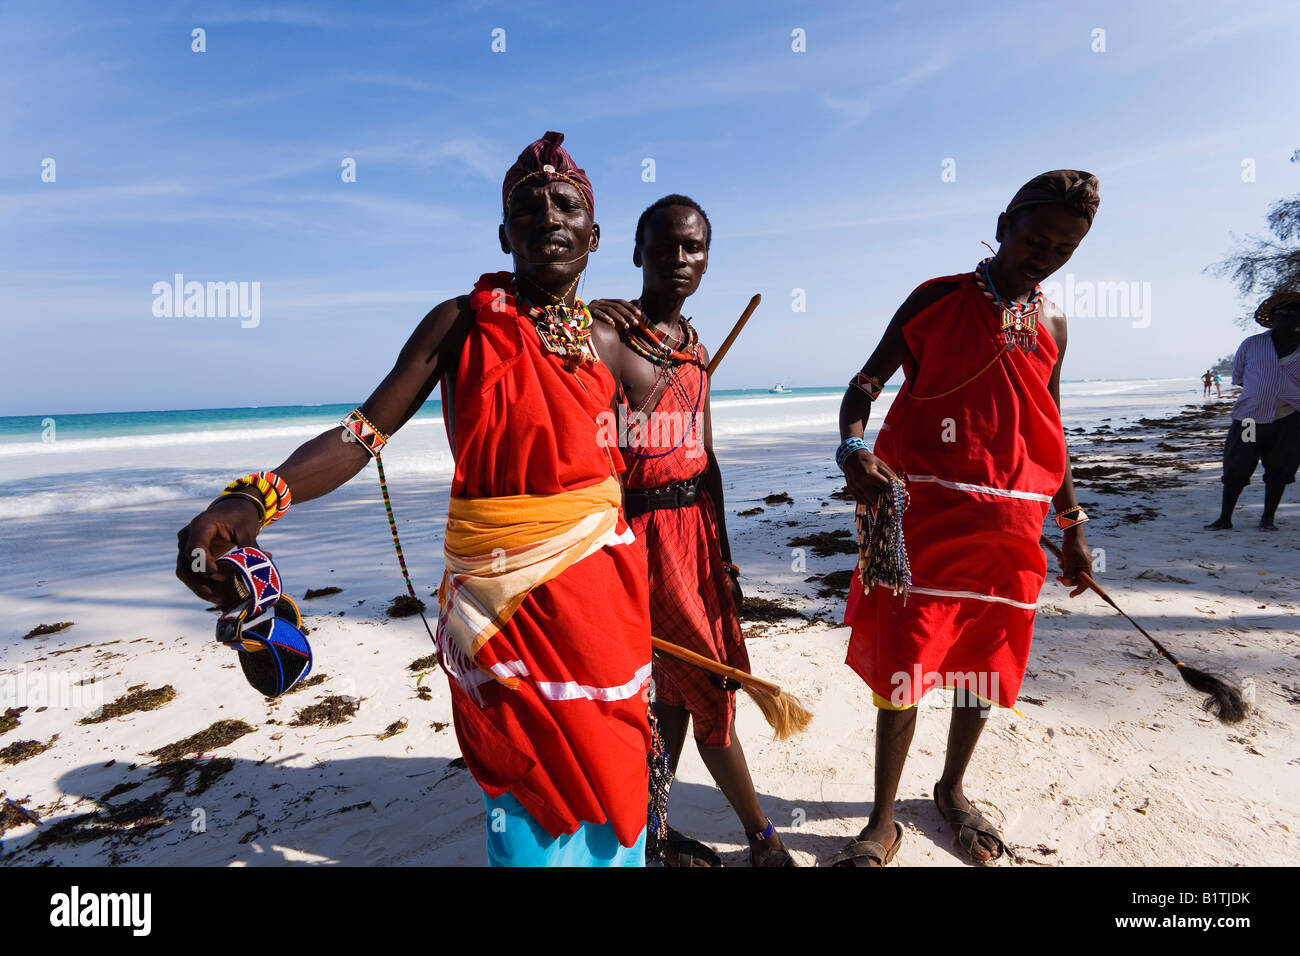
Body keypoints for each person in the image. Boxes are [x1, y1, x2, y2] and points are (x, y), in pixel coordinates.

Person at [175, 131, 655, 867]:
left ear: (596, 234)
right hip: (502, 613)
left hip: (604, 606)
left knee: (614, 789)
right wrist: (253, 502)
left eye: (567, 205)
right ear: (503, 232)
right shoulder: (461, 324)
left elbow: (659, 463)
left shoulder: (617, 340)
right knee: (527, 808)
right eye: (528, 208)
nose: (549, 219)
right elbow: (362, 434)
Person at [831, 170, 1098, 866]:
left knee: (983, 661)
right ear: (1003, 221)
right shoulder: (936, 300)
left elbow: (1053, 424)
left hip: (1011, 525)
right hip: (918, 514)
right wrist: (854, 446)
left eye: (1064, 248)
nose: (1045, 255)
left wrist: (1072, 526)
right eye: (1036, 238)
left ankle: (952, 791)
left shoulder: (1055, 323)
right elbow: (865, 385)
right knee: (906, 663)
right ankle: (882, 820)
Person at [587, 195, 793, 867]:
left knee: (677, 689)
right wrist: (585, 311)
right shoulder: (610, 338)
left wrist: (725, 560)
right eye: (667, 246)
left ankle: (652, 825)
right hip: (637, 537)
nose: (681, 259)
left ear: (707, 258)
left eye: (694, 248)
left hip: (695, 536)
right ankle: (762, 837)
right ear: (637, 251)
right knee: (709, 685)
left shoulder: (697, 348)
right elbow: (555, 365)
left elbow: (707, 460)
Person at [1204, 291, 1300, 531]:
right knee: (1237, 465)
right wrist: (1264, 393)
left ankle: (1268, 519)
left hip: (1289, 420)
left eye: (1293, 314)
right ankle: (1225, 518)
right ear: (1272, 316)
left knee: (1280, 469)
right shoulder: (1252, 344)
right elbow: (1240, 378)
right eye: (1282, 313)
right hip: (1249, 419)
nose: (1286, 318)